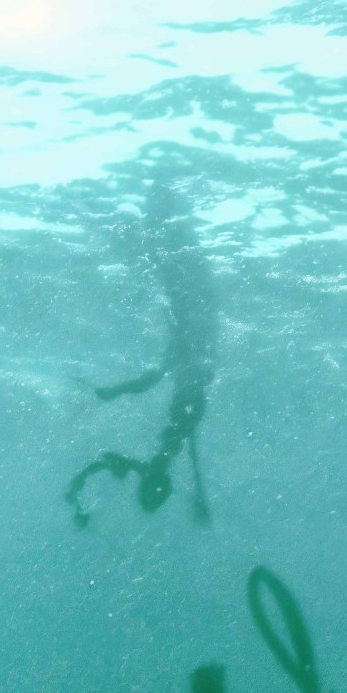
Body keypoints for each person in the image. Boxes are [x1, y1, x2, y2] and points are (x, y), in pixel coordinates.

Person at [67, 180, 218, 528]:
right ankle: (161, 206)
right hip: (191, 366)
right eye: (151, 487)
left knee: (172, 269)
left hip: (191, 365)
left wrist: (114, 392)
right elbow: (160, 385)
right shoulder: (182, 416)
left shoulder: (178, 424)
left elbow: (156, 381)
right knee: (173, 269)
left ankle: (159, 206)